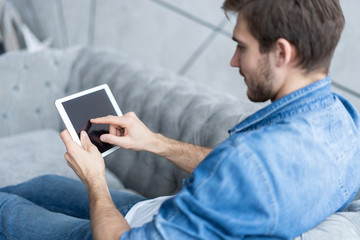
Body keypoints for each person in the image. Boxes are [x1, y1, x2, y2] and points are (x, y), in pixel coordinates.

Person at [1, 0, 359, 239]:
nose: (234, 62)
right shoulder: (342, 120)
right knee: (39, 186)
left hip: (127, 231)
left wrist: (95, 178)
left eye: (242, 46)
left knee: (6, 208)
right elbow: (237, 175)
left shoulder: (253, 163)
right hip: (157, 212)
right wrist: (153, 141)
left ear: (281, 52)